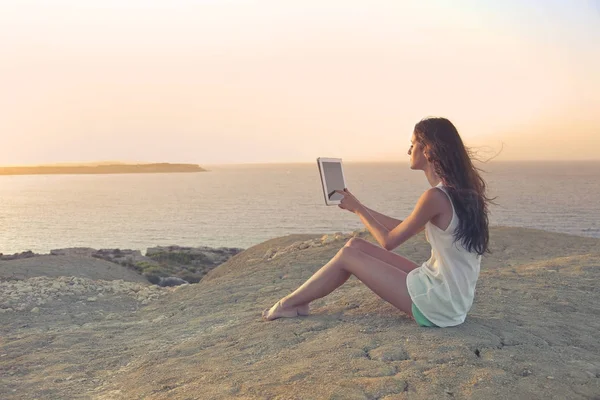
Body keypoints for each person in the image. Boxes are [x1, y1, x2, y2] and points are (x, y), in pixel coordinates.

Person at [262, 117, 493, 327]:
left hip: (439, 305)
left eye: (413, 144)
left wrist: (359, 209)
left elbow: (389, 241)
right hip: (449, 296)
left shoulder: (435, 197)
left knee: (347, 256)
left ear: (428, 149)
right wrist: (357, 207)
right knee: (355, 246)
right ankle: (301, 303)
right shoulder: (457, 192)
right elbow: (403, 226)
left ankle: (288, 304)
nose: (408, 150)